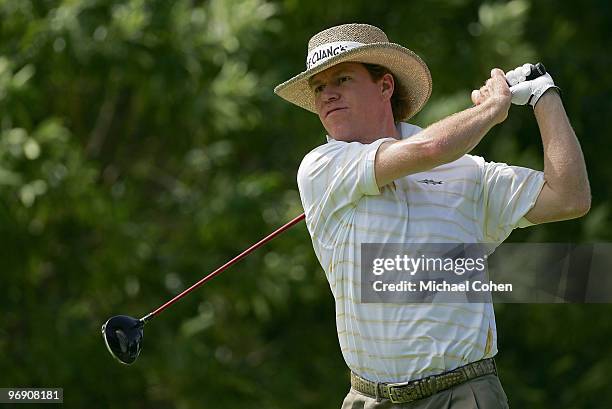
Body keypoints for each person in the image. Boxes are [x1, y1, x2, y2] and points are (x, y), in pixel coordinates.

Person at [274, 23, 590, 408]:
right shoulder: (322, 166)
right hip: (370, 399)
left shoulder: (467, 171)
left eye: (342, 78)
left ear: (385, 87)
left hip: (466, 394)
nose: (328, 95)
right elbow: (431, 147)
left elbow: (569, 197)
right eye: (319, 87)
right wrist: (493, 109)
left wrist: (543, 94)